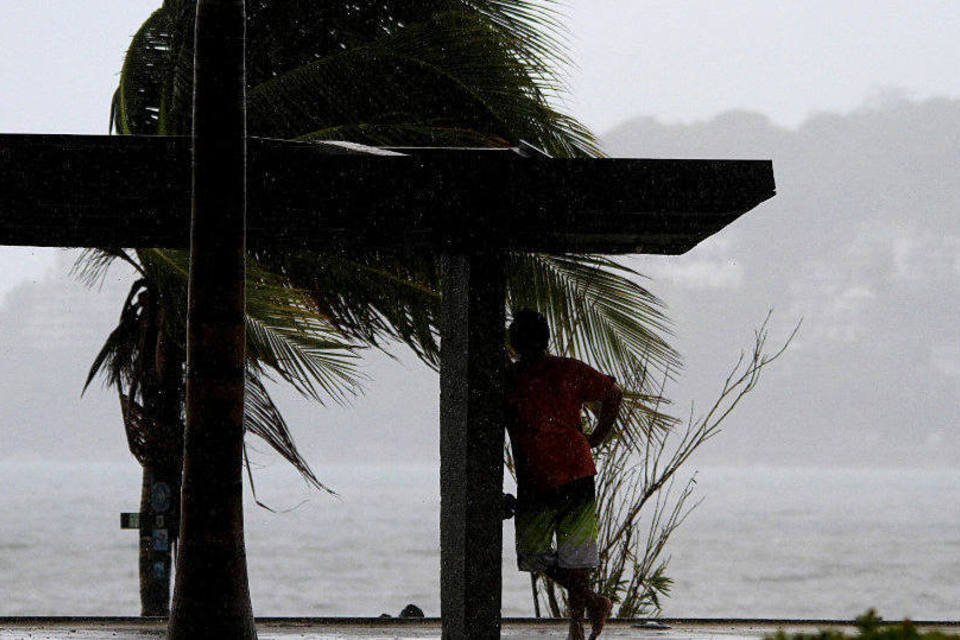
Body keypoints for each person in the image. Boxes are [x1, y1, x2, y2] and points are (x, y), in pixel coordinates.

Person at [505, 309, 623, 640]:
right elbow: (613, 393)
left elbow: (613, 394)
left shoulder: (512, 378)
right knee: (576, 557)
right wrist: (597, 436)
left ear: (514, 342)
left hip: (539, 477)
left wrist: (596, 437)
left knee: (535, 553)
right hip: (575, 471)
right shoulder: (566, 369)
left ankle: (580, 623)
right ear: (545, 339)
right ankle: (584, 613)